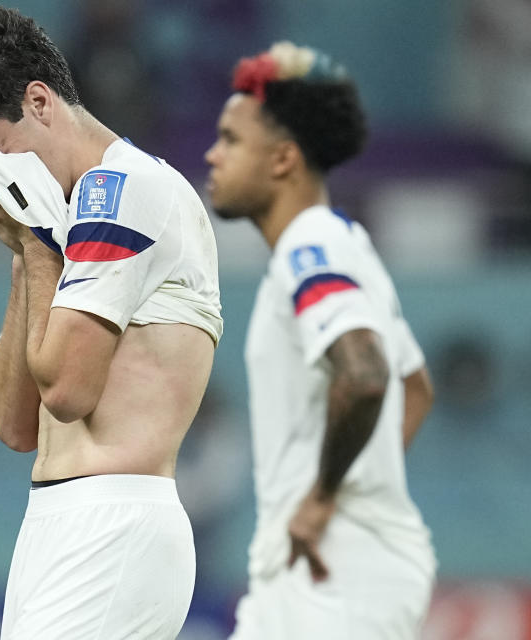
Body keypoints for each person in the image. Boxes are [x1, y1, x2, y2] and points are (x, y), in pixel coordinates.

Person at [0, 4, 223, 638]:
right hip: (56, 522)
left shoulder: (123, 189)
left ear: (39, 101)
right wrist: (27, 248)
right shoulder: (65, 226)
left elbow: (67, 389)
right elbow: (13, 420)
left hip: (116, 518)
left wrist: (33, 246)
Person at [204, 42, 437, 639]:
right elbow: (416, 388)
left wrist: (325, 497)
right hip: (326, 569)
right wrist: (362, 484)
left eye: (230, 139)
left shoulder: (311, 246)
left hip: (335, 574)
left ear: (282, 159)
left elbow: (365, 374)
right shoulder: (346, 246)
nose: (211, 155)